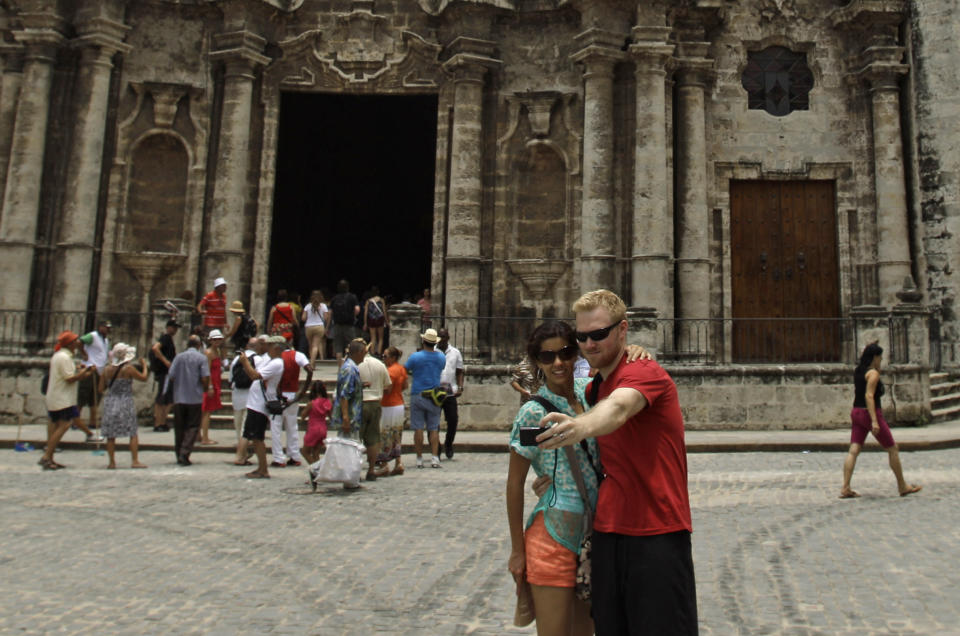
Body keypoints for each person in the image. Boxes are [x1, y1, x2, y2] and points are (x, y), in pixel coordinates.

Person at [538, 289, 697, 635]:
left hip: (656, 532)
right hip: (608, 532)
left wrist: (578, 427)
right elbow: (551, 434)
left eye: (599, 334)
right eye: (582, 337)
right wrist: (553, 472)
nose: (589, 344)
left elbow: (619, 408)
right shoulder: (594, 386)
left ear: (623, 330)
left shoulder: (644, 372)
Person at [506, 321, 599, 636]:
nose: (558, 362)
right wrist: (517, 551)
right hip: (552, 536)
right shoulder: (533, 412)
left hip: (594, 534)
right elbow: (515, 482)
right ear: (537, 362)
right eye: (547, 357)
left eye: (565, 352)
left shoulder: (592, 398)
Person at [840, 342, 923, 499]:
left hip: (856, 412)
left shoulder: (858, 370)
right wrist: (875, 421)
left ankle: (845, 487)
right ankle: (902, 485)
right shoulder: (873, 374)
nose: (881, 360)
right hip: (869, 413)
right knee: (892, 448)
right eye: (880, 357)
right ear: (875, 357)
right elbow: (869, 396)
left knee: (854, 450)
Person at [39, 331, 97, 469]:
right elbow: (70, 378)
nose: (78, 343)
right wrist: (85, 372)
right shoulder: (64, 357)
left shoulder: (59, 356)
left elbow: (69, 373)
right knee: (64, 425)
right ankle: (46, 455)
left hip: (56, 396)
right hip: (62, 398)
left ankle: (50, 458)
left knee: (53, 426)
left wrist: (85, 371)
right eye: (75, 341)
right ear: (70, 344)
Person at [236, 335, 287, 479]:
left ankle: (263, 469)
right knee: (255, 437)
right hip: (255, 403)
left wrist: (245, 362)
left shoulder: (276, 363)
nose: (266, 348)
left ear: (276, 348)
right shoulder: (270, 360)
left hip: (259, 405)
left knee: (258, 438)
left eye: (269, 346)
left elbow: (254, 375)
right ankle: (261, 467)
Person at [99, 343, 150, 469]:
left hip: (111, 401)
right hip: (125, 400)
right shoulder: (128, 369)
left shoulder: (106, 370)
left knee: (111, 435)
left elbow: (100, 389)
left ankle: (111, 462)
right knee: (132, 432)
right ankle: (135, 460)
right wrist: (144, 366)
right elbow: (144, 378)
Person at [404, 328, 447, 469]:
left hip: (418, 393)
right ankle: (434, 457)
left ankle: (419, 458)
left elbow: (406, 369)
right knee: (433, 428)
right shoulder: (441, 357)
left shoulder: (415, 357)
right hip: (434, 395)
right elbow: (441, 368)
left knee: (418, 428)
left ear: (423, 341)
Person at [165, 335, 211, 466]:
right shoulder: (201, 358)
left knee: (179, 427)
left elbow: (172, 375)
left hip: (179, 396)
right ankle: (184, 453)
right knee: (193, 426)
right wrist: (205, 389)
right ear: (198, 345)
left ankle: (179, 451)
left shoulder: (179, 357)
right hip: (194, 397)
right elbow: (204, 377)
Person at [271, 337, 312, 467]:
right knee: (292, 425)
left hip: (278, 394)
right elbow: (309, 370)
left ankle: (278, 457)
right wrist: (303, 392)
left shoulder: (277, 357)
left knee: (276, 426)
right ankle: (294, 455)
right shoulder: (298, 355)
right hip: (293, 393)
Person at [330, 339, 366, 488]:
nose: (365, 356)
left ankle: (351, 478)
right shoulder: (350, 369)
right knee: (349, 447)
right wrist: (345, 417)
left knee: (348, 447)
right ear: (357, 353)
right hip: (350, 416)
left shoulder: (351, 368)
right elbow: (345, 394)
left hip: (352, 414)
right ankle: (349, 479)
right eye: (364, 353)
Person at [357, 340, 392, 481]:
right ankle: (371, 469)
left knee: (356, 438)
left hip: (360, 403)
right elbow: (388, 386)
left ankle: (355, 470)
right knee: (373, 438)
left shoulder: (355, 365)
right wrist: (377, 390)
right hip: (376, 403)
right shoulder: (380, 364)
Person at [375, 346, 408, 476]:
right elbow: (405, 386)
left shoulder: (389, 371)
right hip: (399, 403)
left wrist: (376, 389)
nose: (383, 359)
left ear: (393, 357)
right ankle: (398, 462)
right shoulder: (401, 369)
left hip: (388, 405)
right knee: (396, 434)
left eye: (385, 356)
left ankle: (384, 464)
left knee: (385, 434)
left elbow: (387, 389)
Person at [78, 319, 111, 440]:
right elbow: (80, 342)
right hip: (90, 368)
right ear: (100, 327)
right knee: (82, 395)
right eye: (105, 327)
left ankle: (93, 421)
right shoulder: (92, 336)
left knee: (95, 397)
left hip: (100, 371)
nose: (107, 330)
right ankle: (76, 421)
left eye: (108, 328)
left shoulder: (106, 341)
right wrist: (84, 354)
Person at [230, 337, 260, 465]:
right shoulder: (258, 359)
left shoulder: (237, 358)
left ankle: (242, 452)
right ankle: (242, 454)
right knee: (246, 427)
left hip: (237, 396)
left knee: (238, 426)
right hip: (251, 396)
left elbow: (231, 378)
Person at [437, 327, 464, 459]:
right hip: (435, 389)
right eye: (439, 336)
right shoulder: (433, 351)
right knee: (433, 421)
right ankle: (435, 445)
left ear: (448, 338)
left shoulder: (455, 352)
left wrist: (460, 387)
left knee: (453, 419)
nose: (441, 339)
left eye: (443, 337)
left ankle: (448, 444)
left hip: (450, 390)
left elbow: (460, 371)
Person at [150, 319, 179, 432]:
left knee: (168, 398)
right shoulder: (165, 338)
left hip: (168, 372)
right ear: (169, 327)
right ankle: (158, 423)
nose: (175, 330)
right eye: (174, 327)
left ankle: (162, 421)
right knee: (162, 397)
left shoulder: (169, 339)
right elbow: (155, 348)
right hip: (165, 372)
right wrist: (166, 361)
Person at [199, 329, 225, 445]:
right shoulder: (208, 353)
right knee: (206, 412)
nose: (217, 341)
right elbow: (207, 370)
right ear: (210, 340)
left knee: (207, 411)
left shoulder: (218, 351)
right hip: (210, 383)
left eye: (218, 339)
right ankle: (204, 437)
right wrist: (209, 386)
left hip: (215, 382)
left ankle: (200, 435)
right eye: (215, 339)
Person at [330, 279, 360, 367]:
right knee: (351, 345)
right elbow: (357, 309)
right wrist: (352, 316)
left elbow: (330, 312)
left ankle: (340, 367)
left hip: (337, 325)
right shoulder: (352, 297)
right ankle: (351, 365)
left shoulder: (335, 298)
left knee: (338, 347)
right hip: (349, 325)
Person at [301, 381, 332, 464]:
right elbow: (331, 416)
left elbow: (303, 415)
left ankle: (315, 469)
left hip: (313, 429)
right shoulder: (327, 402)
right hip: (323, 428)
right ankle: (317, 469)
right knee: (316, 453)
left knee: (305, 452)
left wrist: (303, 418)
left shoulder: (312, 403)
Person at [302, 290, 330, 366]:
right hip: (319, 326)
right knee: (315, 346)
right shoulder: (323, 306)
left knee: (310, 346)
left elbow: (303, 318)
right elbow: (326, 318)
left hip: (308, 327)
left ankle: (312, 363)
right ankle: (312, 363)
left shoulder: (307, 306)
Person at [363, 286, 388, 357]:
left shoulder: (368, 301)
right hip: (380, 319)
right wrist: (387, 321)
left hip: (371, 320)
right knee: (380, 338)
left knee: (373, 338)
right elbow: (384, 311)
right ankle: (379, 353)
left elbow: (366, 313)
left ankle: (372, 353)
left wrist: (365, 323)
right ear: (378, 292)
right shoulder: (381, 300)